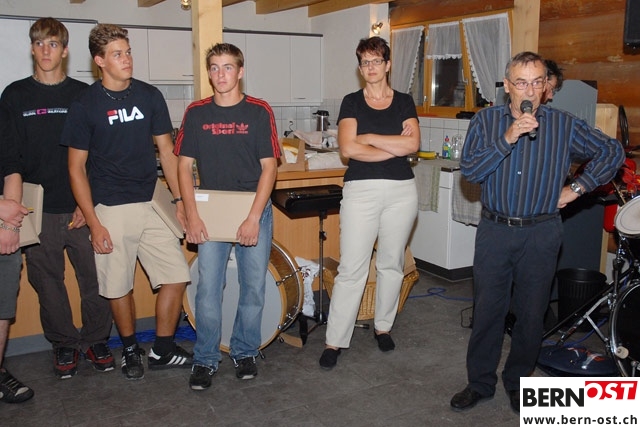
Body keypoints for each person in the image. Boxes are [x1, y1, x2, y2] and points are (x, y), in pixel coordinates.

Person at [450, 51, 624, 414]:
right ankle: (479, 383)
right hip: (495, 231)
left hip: (541, 234)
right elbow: (472, 171)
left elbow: (612, 151)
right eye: (521, 82)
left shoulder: (563, 124)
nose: (529, 90)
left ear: (546, 87)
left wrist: (577, 188)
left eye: (536, 82)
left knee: (531, 315)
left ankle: (518, 381)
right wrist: (508, 137)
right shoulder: (486, 121)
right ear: (507, 86)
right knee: (488, 312)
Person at [62, 24, 192, 380]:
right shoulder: (85, 105)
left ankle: (162, 349)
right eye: (117, 54)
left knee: (176, 276)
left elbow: (167, 151)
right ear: (100, 60)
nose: (127, 59)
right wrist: (94, 222)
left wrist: (179, 199)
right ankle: (131, 348)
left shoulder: (149, 96)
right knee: (119, 286)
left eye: (128, 52)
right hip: (110, 206)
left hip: (151, 200)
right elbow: (75, 168)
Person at [1, 17, 114, 380]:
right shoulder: (14, 95)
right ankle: (64, 342)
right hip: (37, 209)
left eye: (53, 44)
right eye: (39, 44)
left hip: (83, 206)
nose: (45, 51)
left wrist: (87, 204)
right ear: (31, 48)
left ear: (65, 51)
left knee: (96, 278)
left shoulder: (84, 94)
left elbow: (98, 153)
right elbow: (9, 157)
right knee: (48, 283)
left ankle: (96, 339)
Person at [175, 43, 279, 391]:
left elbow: (269, 168)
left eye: (228, 67)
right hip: (212, 211)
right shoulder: (196, 113)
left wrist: (253, 218)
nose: (221, 74)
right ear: (209, 73)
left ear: (240, 71)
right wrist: (192, 215)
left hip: (253, 208)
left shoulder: (259, 111)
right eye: (215, 68)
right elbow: (183, 166)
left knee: (253, 286)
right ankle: (205, 358)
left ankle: (245, 351)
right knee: (207, 289)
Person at [318, 36, 419, 370]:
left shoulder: (404, 101)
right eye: (365, 62)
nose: (371, 67)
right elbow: (348, 149)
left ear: (388, 65)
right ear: (360, 68)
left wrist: (371, 138)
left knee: (391, 263)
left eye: (376, 61)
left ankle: (383, 326)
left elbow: (412, 146)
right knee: (352, 268)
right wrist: (393, 145)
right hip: (360, 191)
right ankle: (335, 340)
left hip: (402, 191)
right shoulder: (352, 103)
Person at [0, 104, 34, 403]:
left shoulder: (3, 111)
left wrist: (9, 226)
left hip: (3, 225)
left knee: (2, 305)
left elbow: (12, 167)